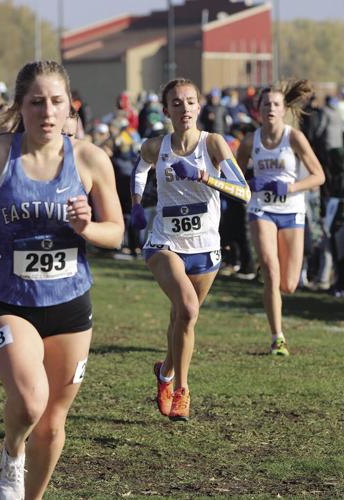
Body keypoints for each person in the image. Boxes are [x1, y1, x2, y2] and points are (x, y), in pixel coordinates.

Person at [0, 60, 123, 500]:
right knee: (31, 400)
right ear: (21, 106)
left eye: (57, 101)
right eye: (37, 102)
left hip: (71, 304)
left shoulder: (91, 159)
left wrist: (87, 229)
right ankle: (11, 451)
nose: (48, 111)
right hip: (11, 301)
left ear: (69, 105)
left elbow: (115, 232)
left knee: (54, 421)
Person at [130, 78, 251, 421]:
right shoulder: (157, 146)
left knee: (182, 319)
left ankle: (165, 371)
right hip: (164, 242)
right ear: (166, 109)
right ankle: (182, 390)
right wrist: (137, 202)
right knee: (187, 308)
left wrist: (205, 177)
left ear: (200, 107)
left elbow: (243, 192)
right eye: (176, 103)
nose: (184, 108)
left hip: (205, 247)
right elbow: (141, 166)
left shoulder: (213, 144)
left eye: (190, 102)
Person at [237, 80, 325, 356]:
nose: (271, 109)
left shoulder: (294, 138)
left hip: (291, 210)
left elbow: (319, 176)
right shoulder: (251, 141)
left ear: (284, 109)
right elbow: (236, 176)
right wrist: (248, 183)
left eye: (276, 104)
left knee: (288, 284)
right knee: (271, 272)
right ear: (258, 109)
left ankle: (278, 324)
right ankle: (277, 337)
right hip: (261, 209)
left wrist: (290, 187)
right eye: (266, 104)